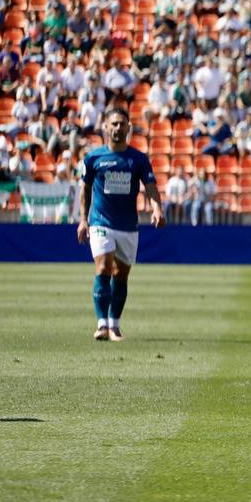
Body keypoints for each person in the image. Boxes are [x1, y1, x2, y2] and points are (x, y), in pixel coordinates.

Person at [77, 106, 165, 342]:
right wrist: (83, 220)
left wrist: (157, 207)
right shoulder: (93, 158)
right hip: (100, 222)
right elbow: (84, 188)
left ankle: (115, 325)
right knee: (104, 267)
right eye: (113, 124)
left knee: (121, 275)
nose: (117, 128)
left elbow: (151, 186)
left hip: (127, 226)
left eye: (121, 124)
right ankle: (101, 324)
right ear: (106, 127)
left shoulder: (138, 159)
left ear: (129, 128)